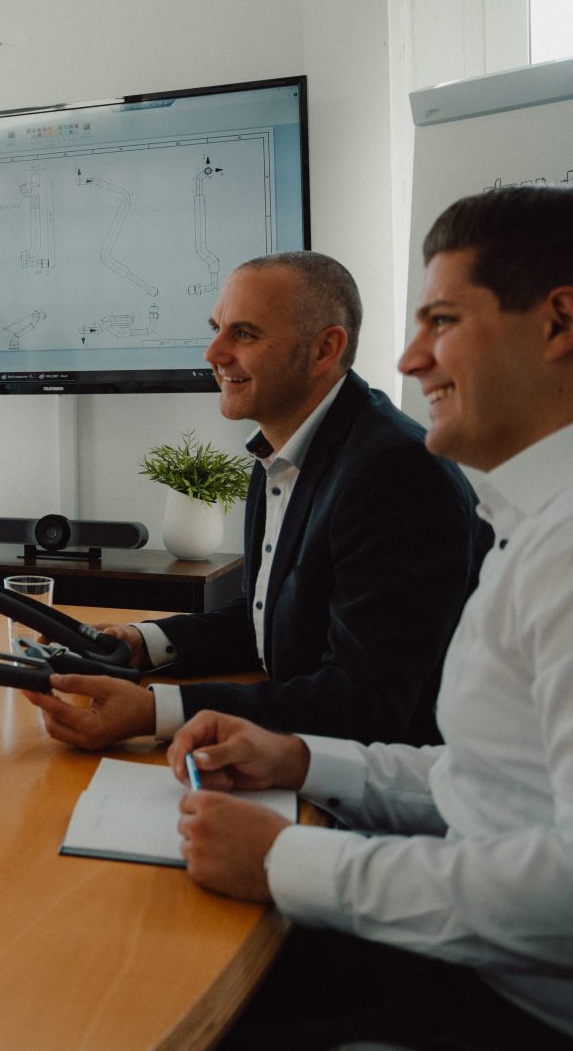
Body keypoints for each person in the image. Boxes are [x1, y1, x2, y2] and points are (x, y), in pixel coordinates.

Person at [168, 186, 573, 1048]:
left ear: (559, 323)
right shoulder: (529, 525)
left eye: (442, 320)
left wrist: (286, 860)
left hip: (505, 1008)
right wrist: (303, 758)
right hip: (462, 954)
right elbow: (487, 789)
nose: (411, 360)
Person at [28, 251, 483, 750]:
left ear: (324, 349)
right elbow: (268, 619)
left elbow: (362, 704)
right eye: (217, 328)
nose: (213, 353)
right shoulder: (282, 448)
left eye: (243, 334)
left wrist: (157, 712)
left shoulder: (394, 472)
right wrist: (142, 643)